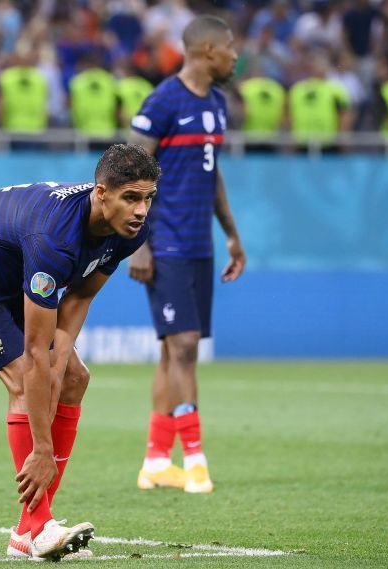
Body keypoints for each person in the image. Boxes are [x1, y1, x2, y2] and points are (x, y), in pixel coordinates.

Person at [0, 144, 160, 560]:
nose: (141, 210)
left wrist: (61, 358)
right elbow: (33, 354)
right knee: (23, 380)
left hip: (13, 274)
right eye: (131, 198)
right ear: (101, 193)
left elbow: (81, 295)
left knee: (73, 378)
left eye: (148, 198)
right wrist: (42, 449)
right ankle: (39, 525)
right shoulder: (53, 239)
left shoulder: (128, 231)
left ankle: (29, 532)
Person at [127, 15, 245, 494]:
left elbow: (211, 174)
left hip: (201, 243)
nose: (236, 55)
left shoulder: (217, 104)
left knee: (170, 351)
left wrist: (232, 235)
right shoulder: (162, 101)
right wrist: (139, 242)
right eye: (231, 47)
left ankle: (156, 462)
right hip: (167, 242)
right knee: (185, 346)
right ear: (207, 51)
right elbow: (128, 172)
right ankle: (194, 459)